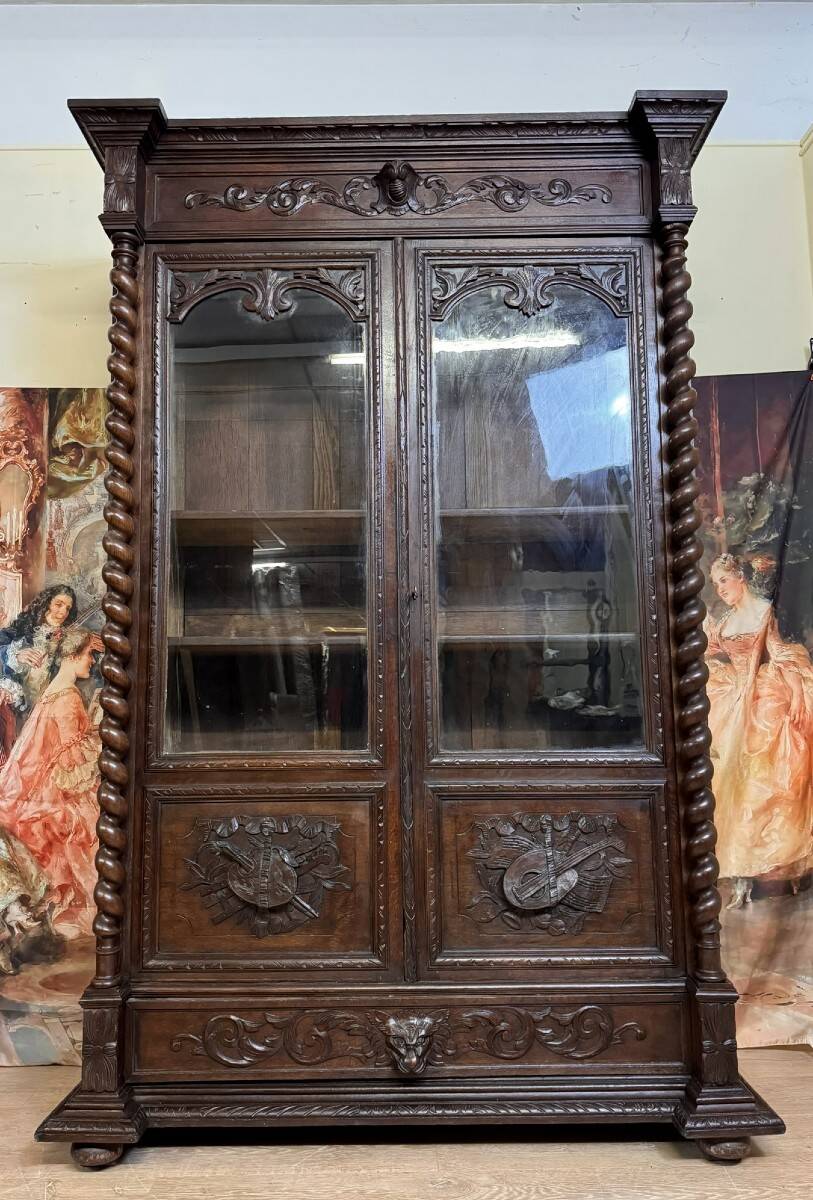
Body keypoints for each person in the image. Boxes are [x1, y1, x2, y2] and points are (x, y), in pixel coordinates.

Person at [705, 553, 813, 907]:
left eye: (723, 581)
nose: (719, 589)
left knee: (762, 781)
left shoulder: (763, 611)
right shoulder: (724, 620)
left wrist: (796, 693)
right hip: (734, 694)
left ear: (740, 579)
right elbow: (709, 650)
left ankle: (755, 867)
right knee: (726, 778)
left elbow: (779, 653)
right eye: (715, 584)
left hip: (761, 697)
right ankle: (736, 871)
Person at [0, 628, 102, 938]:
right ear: (72, 657)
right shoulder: (68, 695)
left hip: (43, 780)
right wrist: (98, 723)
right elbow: (72, 753)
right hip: (59, 785)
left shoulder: (53, 690)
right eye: (89, 656)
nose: (93, 663)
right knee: (84, 831)